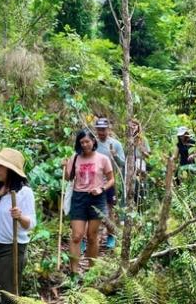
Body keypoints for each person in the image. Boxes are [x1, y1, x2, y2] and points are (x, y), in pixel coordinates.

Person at [0, 148, 36, 304]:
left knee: (9, 297)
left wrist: (20, 216)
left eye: (0, 166)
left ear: (11, 170)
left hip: (11, 249)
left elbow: (31, 224)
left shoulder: (24, 192)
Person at [63, 129, 114, 274]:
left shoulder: (103, 159)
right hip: (78, 198)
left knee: (92, 237)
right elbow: (68, 178)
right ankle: (74, 272)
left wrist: (101, 189)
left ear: (93, 141)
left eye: (87, 141)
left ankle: (92, 272)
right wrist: (66, 166)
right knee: (76, 236)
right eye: (82, 142)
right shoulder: (75, 158)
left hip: (96, 199)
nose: (85, 145)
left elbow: (111, 180)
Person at [94, 117, 125, 249]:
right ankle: (92, 238)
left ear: (108, 129)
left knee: (109, 210)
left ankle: (111, 236)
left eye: (103, 129)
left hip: (110, 182)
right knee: (93, 210)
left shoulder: (116, 144)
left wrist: (115, 155)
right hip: (94, 182)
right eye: (99, 129)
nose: (101, 132)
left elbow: (123, 163)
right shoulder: (92, 143)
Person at [130, 119, 151, 207]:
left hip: (140, 164)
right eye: (131, 125)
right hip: (130, 164)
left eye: (135, 125)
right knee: (131, 186)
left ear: (138, 127)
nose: (133, 127)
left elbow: (148, 155)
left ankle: (142, 205)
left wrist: (143, 151)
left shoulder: (142, 139)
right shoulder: (128, 139)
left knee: (140, 186)